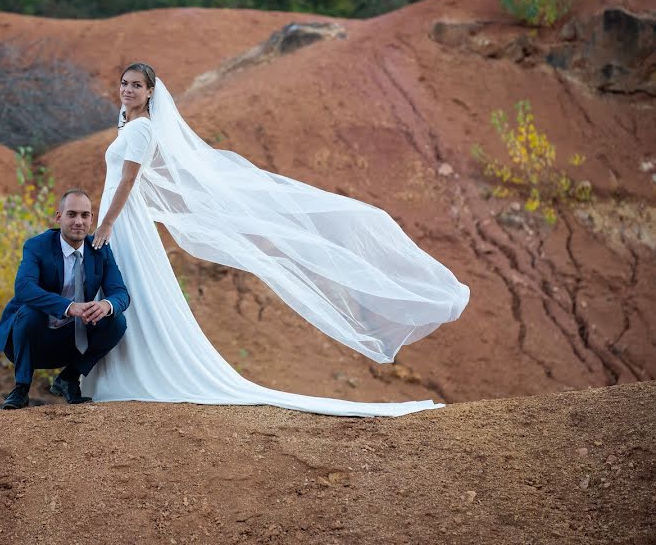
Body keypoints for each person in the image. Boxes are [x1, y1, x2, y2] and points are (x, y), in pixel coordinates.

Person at [86, 62, 470, 417]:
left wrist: (106, 224)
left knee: (127, 280)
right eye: (124, 83)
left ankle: (131, 369)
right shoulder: (130, 125)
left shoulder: (140, 129)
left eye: (137, 85)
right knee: (126, 283)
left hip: (122, 217)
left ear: (151, 92)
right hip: (121, 215)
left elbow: (130, 180)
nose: (128, 90)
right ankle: (117, 366)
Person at [0, 188, 129, 409]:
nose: (79, 222)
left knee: (116, 320)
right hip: (32, 340)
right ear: (59, 217)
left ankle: (69, 378)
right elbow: (23, 288)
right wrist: (69, 307)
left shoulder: (100, 250)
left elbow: (121, 293)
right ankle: (21, 388)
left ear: (91, 218)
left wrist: (106, 304)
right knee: (30, 311)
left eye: (85, 215)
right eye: (72, 214)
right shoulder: (37, 246)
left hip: (74, 340)